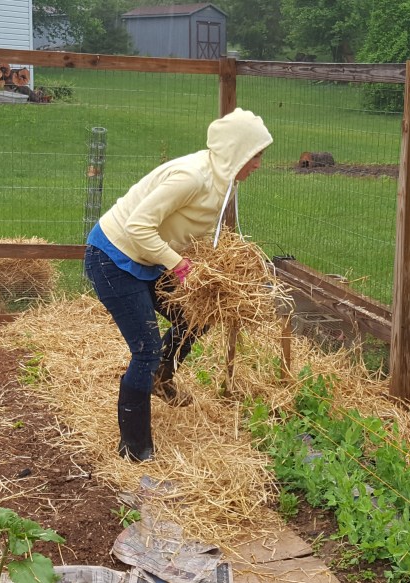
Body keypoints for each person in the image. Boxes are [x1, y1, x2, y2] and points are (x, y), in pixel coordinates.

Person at [84, 108, 273, 462]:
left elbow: (193, 232)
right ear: (237, 152)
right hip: (113, 256)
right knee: (146, 349)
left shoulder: (222, 181)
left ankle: (161, 378)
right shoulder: (192, 177)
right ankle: (134, 449)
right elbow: (137, 226)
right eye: (255, 156)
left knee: (200, 312)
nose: (259, 164)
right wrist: (180, 266)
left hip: (149, 256)